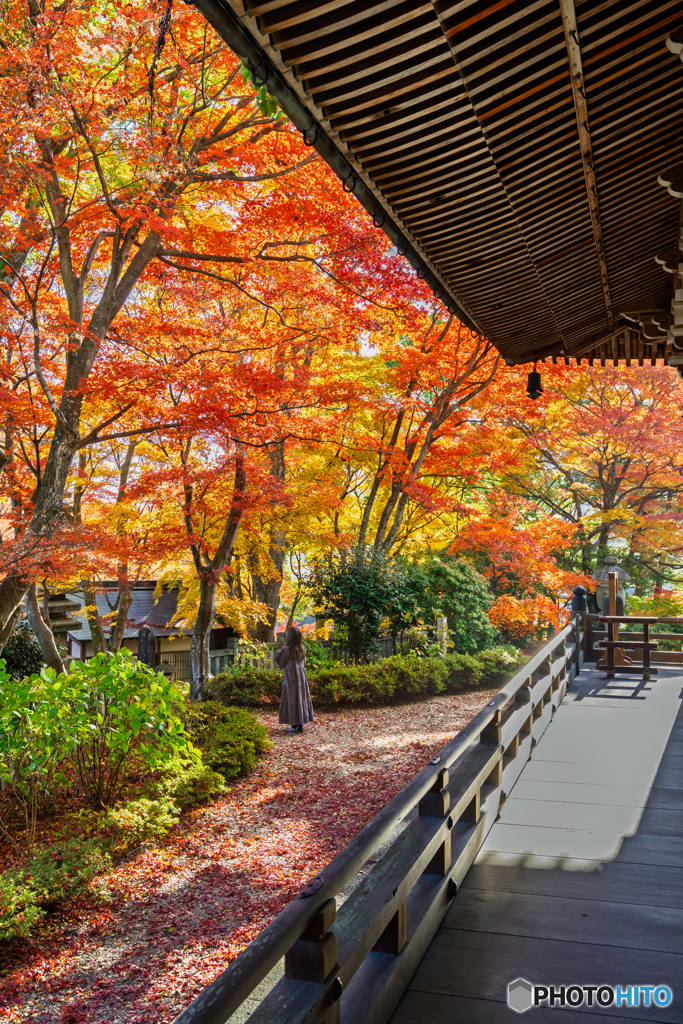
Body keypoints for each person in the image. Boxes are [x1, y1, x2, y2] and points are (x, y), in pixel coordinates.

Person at [274, 624, 314, 734]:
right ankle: (300, 724)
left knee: (292, 698)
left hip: (291, 679)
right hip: (301, 678)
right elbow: (304, 663)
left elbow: (279, 661)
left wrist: (281, 650)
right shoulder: (302, 649)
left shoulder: (286, 650)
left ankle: (294, 724)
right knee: (300, 698)